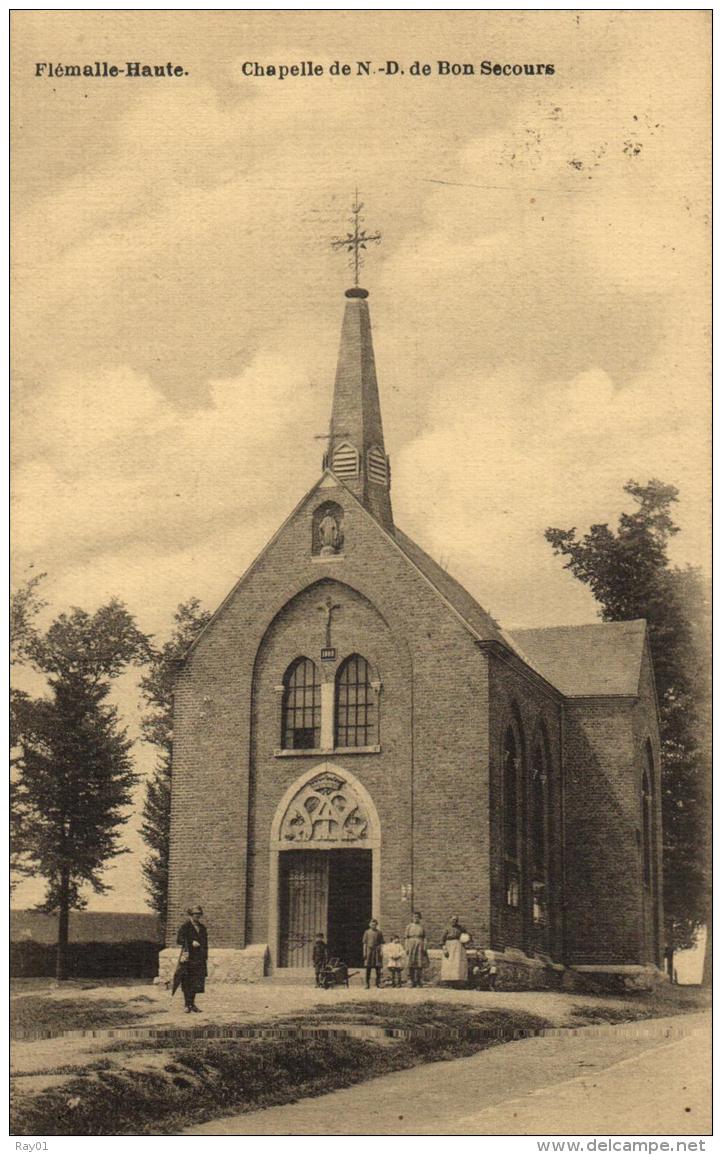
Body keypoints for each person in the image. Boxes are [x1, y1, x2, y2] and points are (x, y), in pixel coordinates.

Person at [176, 905, 208, 1013]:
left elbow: (205, 943)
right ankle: (186, 1004)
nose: (197, 917)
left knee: (196, 982)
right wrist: (190, 942)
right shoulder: (185, 927)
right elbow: (179, 940)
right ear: (191, 915)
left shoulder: (202, 928)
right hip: (188, 958)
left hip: (199, 959)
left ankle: (192, 1004)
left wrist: (205, 957)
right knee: (187, 981)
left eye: (199, 915)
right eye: (195, 914)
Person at [441, 915, 472, 986]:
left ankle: (457, 981)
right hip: (449, 946)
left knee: (458, 963)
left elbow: (468, 936)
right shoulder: (447, 929)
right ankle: (448, 981)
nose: (454, 921)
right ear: (450, 920)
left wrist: (466, 939)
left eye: (455, 920)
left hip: (458, 947)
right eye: (452, 920)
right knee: (449, 963)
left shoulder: (461, 928)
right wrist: (444, 949)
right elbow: (442, 940)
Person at [404, 910, 427, 988]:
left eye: (417, 917)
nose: (416, 918)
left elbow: (425, 938)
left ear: (419, 918)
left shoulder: (421, 927)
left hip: (419, 944)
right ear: (412, 918)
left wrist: (424, 947)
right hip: (411, 944)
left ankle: (418, 980)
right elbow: (406, 938)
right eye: (414, 917)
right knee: (411, 962)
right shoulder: (409, 926)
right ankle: (410, 980)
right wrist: (406, 947)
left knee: (419, 963)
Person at [362, 919, 384, 989]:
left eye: (374, 924)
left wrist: (381, 951)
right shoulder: (367, 932)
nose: (373, 926)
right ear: (369, 925)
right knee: (368, 968)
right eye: (372, 924)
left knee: (378, 968)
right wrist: (364, 952)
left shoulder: (379, 932)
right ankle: (367, 984)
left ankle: (378, 983)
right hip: (369, 951)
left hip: (377, 951)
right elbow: (364, 943)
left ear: (376, 925)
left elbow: (381, 943)